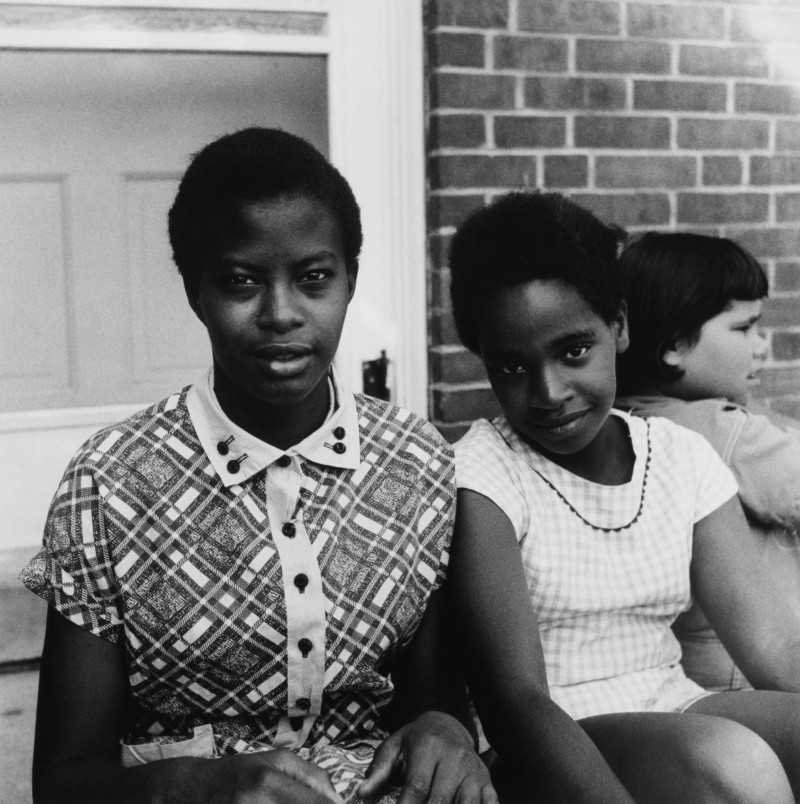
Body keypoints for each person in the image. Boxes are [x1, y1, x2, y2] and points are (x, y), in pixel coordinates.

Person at [21, 127, 495, 804]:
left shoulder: (413, 461)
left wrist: (444, 732)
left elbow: (431, 699)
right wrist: (198, 787)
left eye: (313, 278)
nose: (280, 314)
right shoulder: (111, 481)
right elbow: (64, 779)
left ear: (349, 281)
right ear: (195, 292)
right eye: (241, 282)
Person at [447, 191, 800, 803]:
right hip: (548, 736)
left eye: (573, 351)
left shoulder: (681, 458)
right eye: (511, 367)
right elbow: (515, 700)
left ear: (619, 325)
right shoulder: (484, 472)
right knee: (736, 763)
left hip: (672, 701)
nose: (549, 391)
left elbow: (773, 646)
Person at [615, 231, 800, 692]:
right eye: (744, 328)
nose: (761, 345)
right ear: (675, 346)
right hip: (756, 678)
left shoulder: (631, 422)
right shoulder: (721, 433)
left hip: (701, 674)